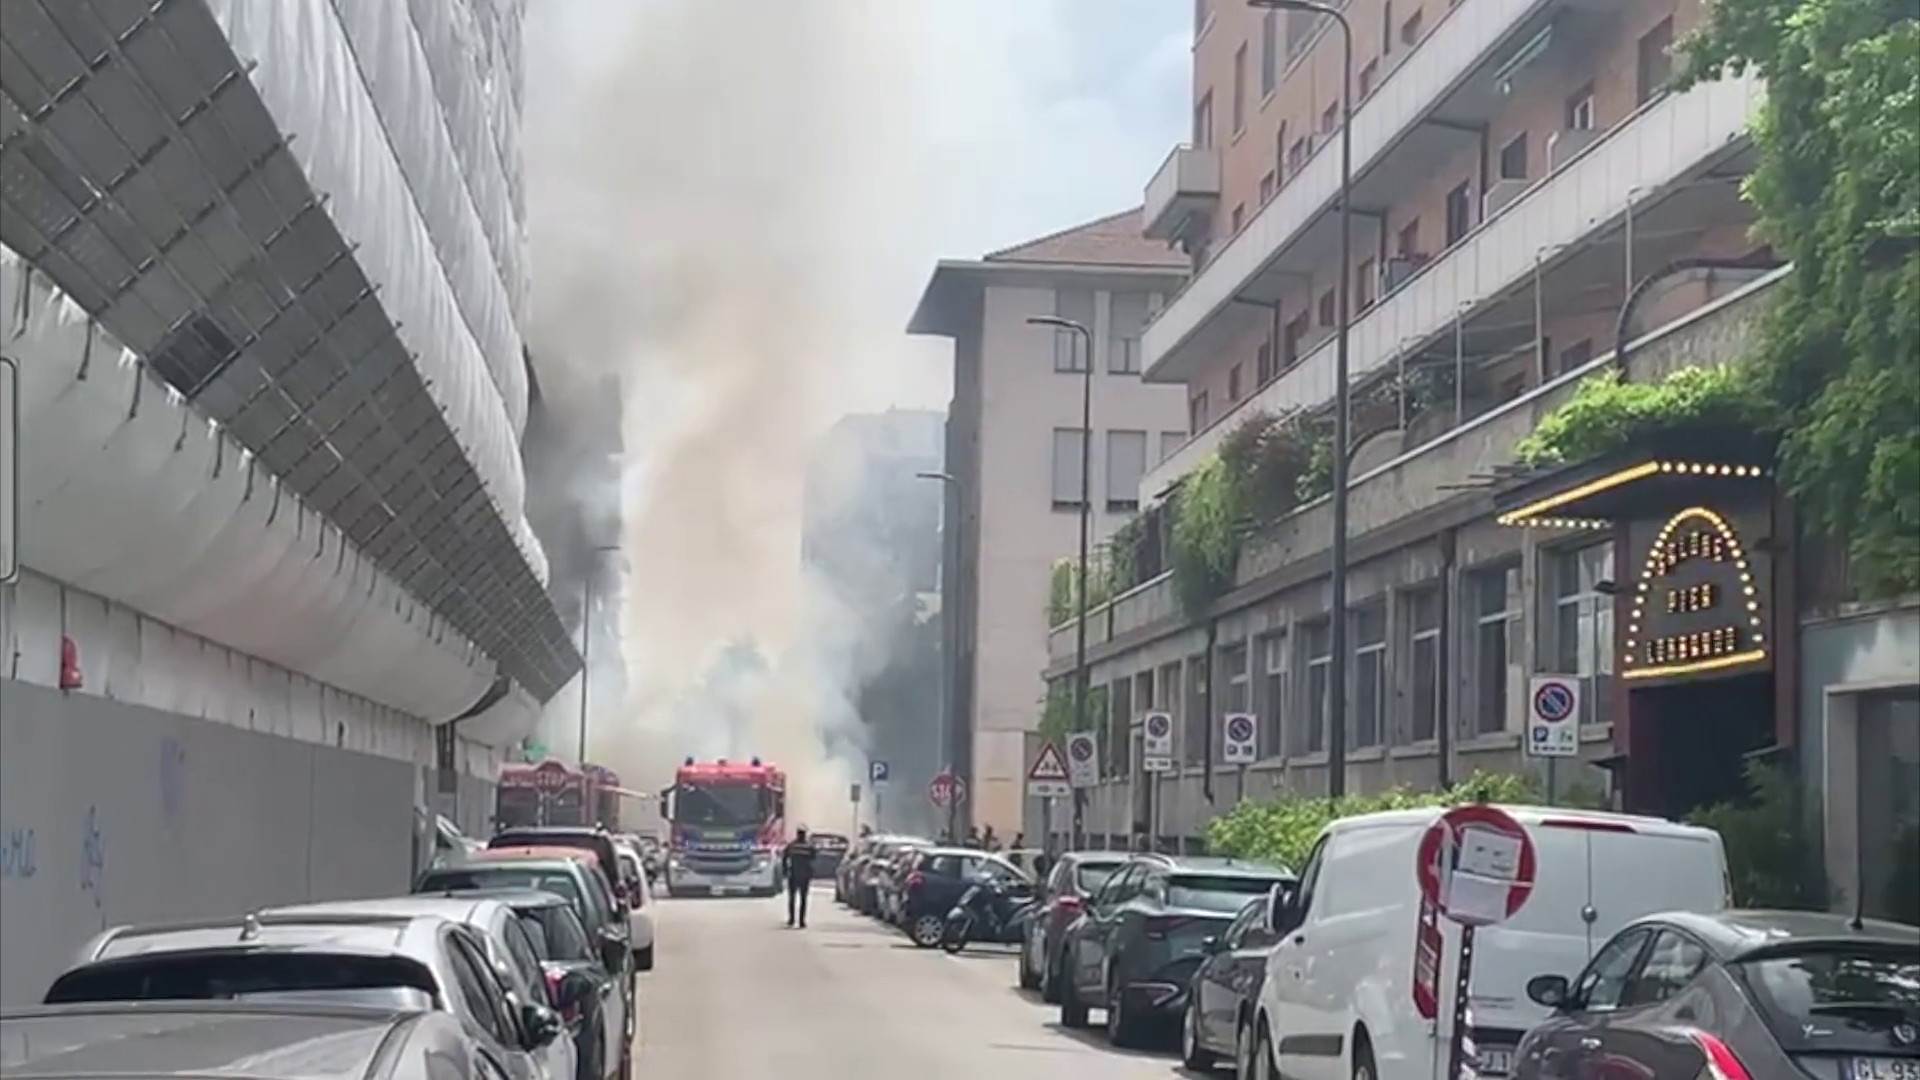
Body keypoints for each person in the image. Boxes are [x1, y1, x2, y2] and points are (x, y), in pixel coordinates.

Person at [781, 827, 819, 928]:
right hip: (805, 875)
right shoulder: (809, 846)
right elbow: (814, 857)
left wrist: (785, 870)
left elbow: (784, 857)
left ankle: (792, 919)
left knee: (792, 898)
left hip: (793, 874)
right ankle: (802, 921)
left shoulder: (792, 845)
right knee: (803, 898)